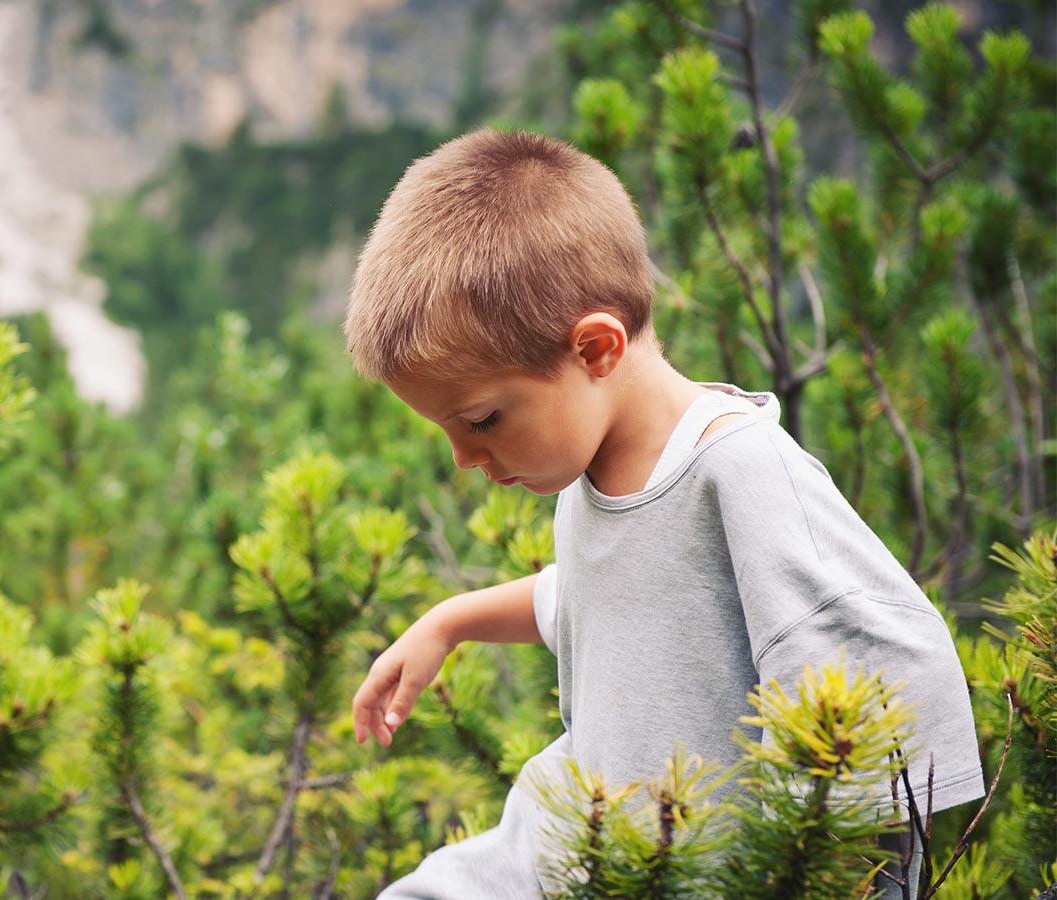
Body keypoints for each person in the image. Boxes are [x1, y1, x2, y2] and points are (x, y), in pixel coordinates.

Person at [342, 128, 985, 898]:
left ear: (594, 350)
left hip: (708, 868)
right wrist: (450, 621)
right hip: (591, 834)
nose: (464, 458)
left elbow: (884, 655)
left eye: (480, 421)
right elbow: (598, 597)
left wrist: (838, 870)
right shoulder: (591, 468)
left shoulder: (738, 470)